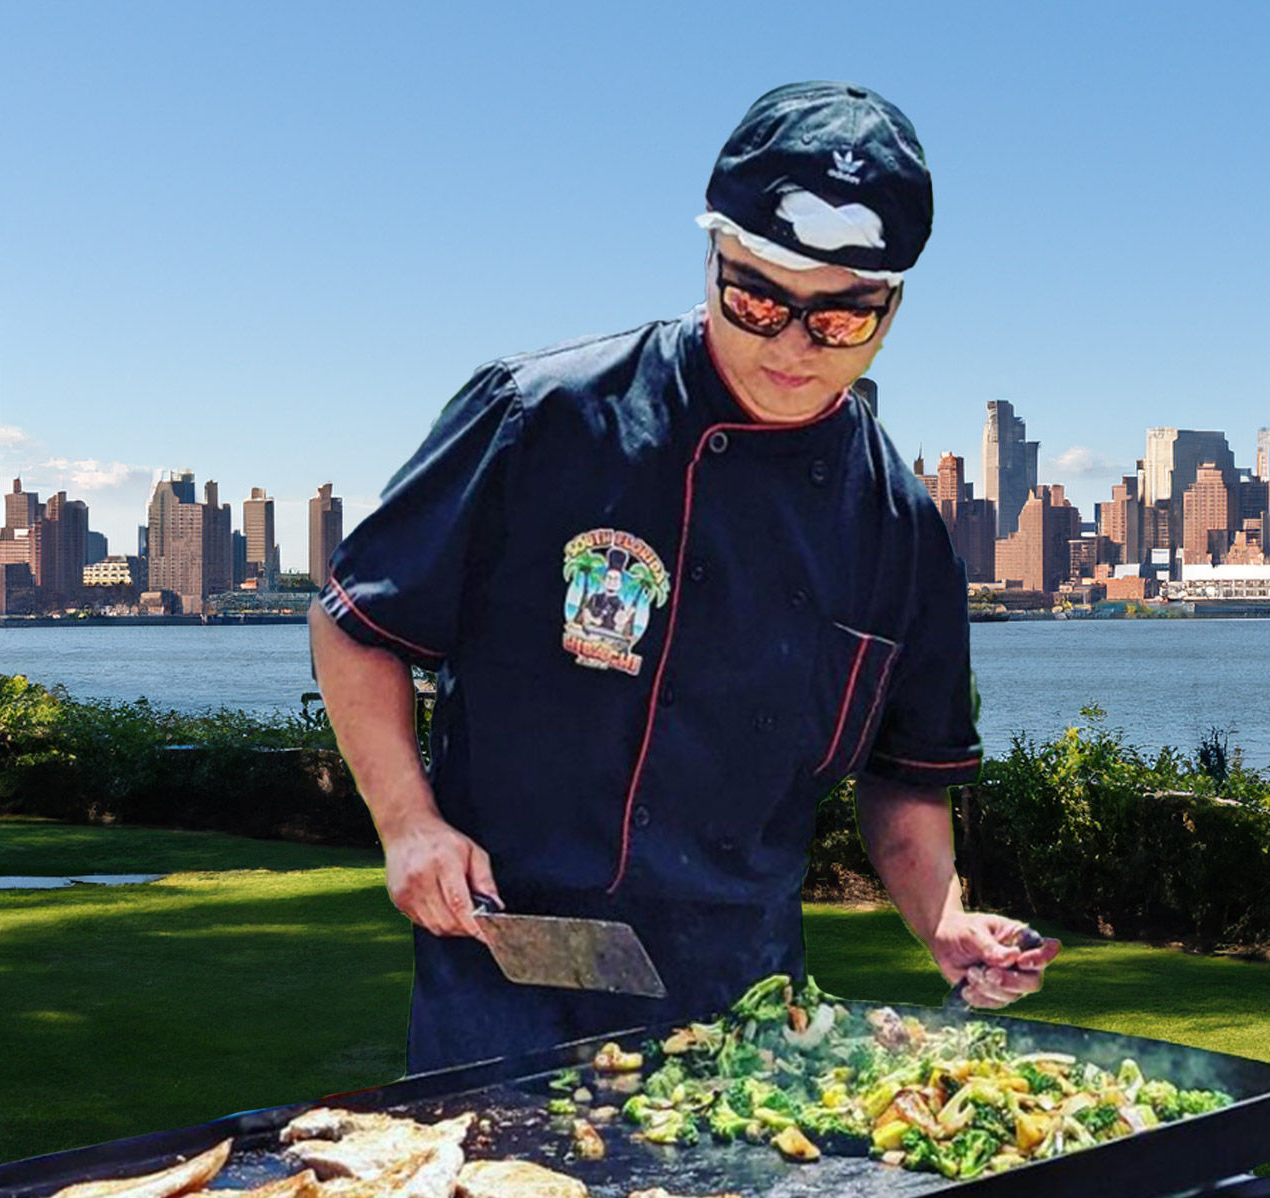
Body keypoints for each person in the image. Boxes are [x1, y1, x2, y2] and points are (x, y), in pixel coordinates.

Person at [311, 81, 1059, 1072]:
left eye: (839, 321)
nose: (791, 345)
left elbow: (905, 780)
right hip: (510, 981)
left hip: (745, 1006)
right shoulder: (544, 416)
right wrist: (409, 826)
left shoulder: (899, 527)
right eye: (755, 299)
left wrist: (945, 922)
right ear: (710, 256)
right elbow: (358, 623)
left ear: (892, 306)